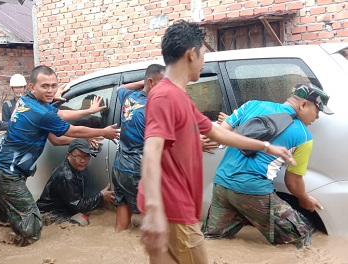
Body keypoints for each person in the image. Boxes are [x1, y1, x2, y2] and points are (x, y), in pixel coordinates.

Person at [137, 21, 295, 264]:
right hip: (171, 207)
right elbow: (151, 151)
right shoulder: (165, 96)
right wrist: (155, 212)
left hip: (172, 208)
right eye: (203, 54)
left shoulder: (180, 97)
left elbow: (216, 131)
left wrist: (266, 146)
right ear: (192, 53)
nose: (204, 61)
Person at [0, 65, 120, 246]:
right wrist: (102, 132)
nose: (50, 90)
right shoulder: (41, 113)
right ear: (32, 87)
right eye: (45, 86)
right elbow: (72, 130)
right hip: (7, 175)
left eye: (53, 86)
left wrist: (88, 111)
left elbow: (60, 120)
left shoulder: (26, 101)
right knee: (32, 229)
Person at [202, 82, 332, 248]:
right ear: (303, 104)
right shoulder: (303, 135)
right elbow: (292, 182)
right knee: (301, 237)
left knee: (212, 239)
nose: (318, 117)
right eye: (318, 110)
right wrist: (304, 198)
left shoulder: (252, 105)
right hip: (253, 191)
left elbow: (221, 132)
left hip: (221, 184)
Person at [112, 64, 165, 232]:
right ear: (151, 82)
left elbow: (119, 88)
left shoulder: (129, 96)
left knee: (123, 206)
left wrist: (143, 84)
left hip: (119, 166)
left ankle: (119, 236)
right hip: (137, 169)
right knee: (156, 213)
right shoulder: (154, 108)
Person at [36, 138, 114, 226]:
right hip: (49, 213)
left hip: (60, 208)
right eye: (79, 156)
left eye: (86, 157)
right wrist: (101, 197)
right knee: (81, 221)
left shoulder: (72, 168)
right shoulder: (66, 176)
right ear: (68, 155)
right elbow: (78, 206)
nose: (83, 161)